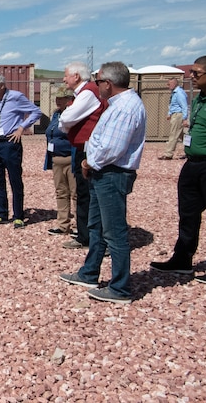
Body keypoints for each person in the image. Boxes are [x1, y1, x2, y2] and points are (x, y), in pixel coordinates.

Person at [60, 61, 146, 304]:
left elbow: (112, 148)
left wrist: (88, 164)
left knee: (115, 232)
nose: (96, 87)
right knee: (96, 226)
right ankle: (89, 272)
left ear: (108, 83)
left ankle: (120, 288)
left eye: (98, 82)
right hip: (103, 172)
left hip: (111, 174)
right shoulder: (119, 104)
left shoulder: (125, 108)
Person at [151, 56, 206, 284]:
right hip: (192, 164)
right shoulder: (198, 100)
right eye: (191, 73)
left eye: (197, 73)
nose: (191, 77)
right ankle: (183, 258)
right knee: (187, 214)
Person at [58, 61, 108, 250]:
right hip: (81, 148)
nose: (64, 79)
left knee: (86, 193)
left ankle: (89, 236)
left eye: (66, 75)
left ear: (76, 76)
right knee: (83, 191)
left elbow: (67, 118)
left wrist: (66, 121)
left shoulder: (88, 92)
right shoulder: (85, 92)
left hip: (88, 150)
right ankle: (86, 234)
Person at [0, 73, 42, 228]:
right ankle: (1, 214)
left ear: (2, 86)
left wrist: (22, 128)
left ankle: (18, 216)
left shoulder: (16, 97)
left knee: (15, 180)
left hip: (11, 143)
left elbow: (36, 112)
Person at [44, 86, 77, 235]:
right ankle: (63, 225)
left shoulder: (74, 115)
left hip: (71, 158)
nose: (57, 100)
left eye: (61, 98)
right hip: (56, 158)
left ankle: (80, 226)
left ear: (69, 100)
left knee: (75, 193)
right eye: (56, 98)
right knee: (61, 192)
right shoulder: (56, 115)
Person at [159, 76, 189, 160]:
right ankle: (190, 151)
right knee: (182, 135)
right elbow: (172, 104)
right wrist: (169, 113)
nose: (167, 85)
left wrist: (184, 118)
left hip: (178, 115)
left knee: (173, 134)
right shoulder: (174, 93)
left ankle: (168, 154)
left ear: (174, 83)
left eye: (169, 83)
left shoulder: (179, 93)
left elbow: (184, 106)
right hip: (174, 114)